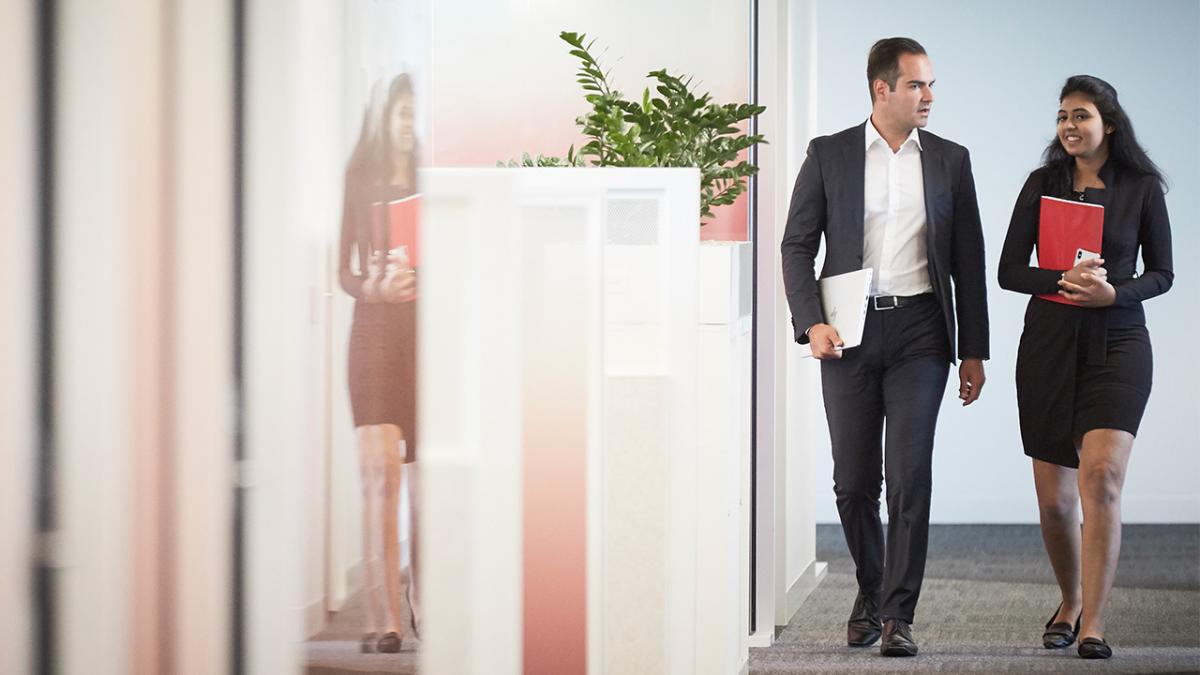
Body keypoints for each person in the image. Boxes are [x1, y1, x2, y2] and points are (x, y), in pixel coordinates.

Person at [781, 37, 989, 657]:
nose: (929, 97)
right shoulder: (830, 155)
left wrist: (972, 348)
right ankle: (871, 588)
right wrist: (809, 322)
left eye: (931, 85)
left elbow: (969, 261)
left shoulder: (951, 160)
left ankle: (899, 614)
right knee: (852, 483)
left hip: (922, 332)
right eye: (917, 86)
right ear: (882, 89)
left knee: (908, 474)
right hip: (847, 334)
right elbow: (797, 245)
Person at [998, 75, 1172, 660]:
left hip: (1118, 343)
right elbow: (1008, 270)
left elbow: (1163, 274)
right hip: (1048, 344)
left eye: (1082, 116)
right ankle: (1069, 600)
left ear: (1109, 125)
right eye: (1063, 117)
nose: (1070, 127)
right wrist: (1061, 282)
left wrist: (1114, 295)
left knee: (1102, 477)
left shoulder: (1143, 188)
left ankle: (1094, 622)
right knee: (1054, 502)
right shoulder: (1041, 184)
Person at [338, 73, 422, 654]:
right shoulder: (357, 178)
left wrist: (419, 277)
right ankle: (384, 618)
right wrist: (371, 285)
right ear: (383, 117)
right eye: (401, 114)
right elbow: (339, 270)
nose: (408, 125)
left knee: (425, 479)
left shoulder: (430, 180)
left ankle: (421, 603)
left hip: (422, 334)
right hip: (373, 334)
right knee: (381, 477)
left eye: (415, 115)